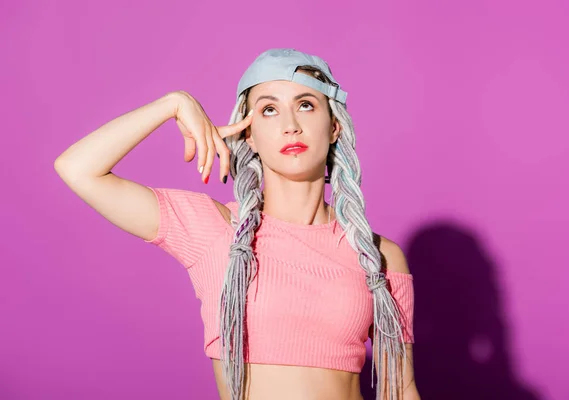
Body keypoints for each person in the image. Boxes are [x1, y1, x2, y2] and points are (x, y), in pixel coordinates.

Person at [54, 48, 420, 400]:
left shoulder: (379, 256)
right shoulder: (215, 231)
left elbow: (400, 390)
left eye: (306, 105)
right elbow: (78, 169)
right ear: (249, 135)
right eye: (269, 110)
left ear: (334, 126)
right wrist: (174, 103)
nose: (291, 126)